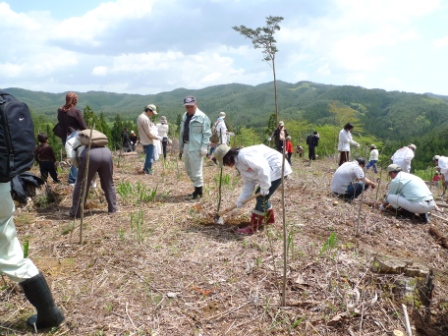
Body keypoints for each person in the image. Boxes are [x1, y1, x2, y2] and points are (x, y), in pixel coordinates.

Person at [214, 144, 292, 235]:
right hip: (271, 168)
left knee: (261, 196)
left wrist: (265, 186)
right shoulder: (238, 163)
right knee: (261, 195)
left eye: (225, 163)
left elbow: (263, 168)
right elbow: (249, 182)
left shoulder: (244, 156)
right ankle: (270, 219)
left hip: (277, 166)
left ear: (227, 158)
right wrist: (241, 200)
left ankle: (253, 227)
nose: (227, 166)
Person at [68, 131, 118, 217]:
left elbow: (72, 156)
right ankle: (113, 208)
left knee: (82, 184)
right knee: (108, 182)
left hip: (90, 155)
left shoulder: (72, 140)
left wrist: (79, 166)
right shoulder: (95, 135)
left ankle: (76, 212)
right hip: (106, 153)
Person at [179, 96, 211, 199]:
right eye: (187, 107)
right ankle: (197, 188)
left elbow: (206, 133)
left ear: (196, 104)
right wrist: (181, 147)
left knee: (196, 170)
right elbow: (182, 132)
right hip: (187, 145)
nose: (189, 108)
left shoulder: (202, 117)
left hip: (196, 147)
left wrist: (204, 147)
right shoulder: (185, 116)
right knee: (188, 169)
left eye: (191, 106)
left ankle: (199, 192)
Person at [56, 92, 87, 185]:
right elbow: (83, 126)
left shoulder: (60, 110)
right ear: (74, 100)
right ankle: (73, 179)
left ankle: (75, 178)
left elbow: (59, 121)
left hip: (64, 136)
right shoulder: (76, 111)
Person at [137, 104, 161, 175]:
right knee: (149, 157)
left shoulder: (140, 117)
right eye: (152, 112)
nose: (153, 114)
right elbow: (149, 133)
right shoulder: (145, 119)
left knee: (148, 156)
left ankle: (146, 169)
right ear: (149, 111)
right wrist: (158, 137)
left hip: (144, 140)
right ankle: (148, 170)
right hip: (148, 140)